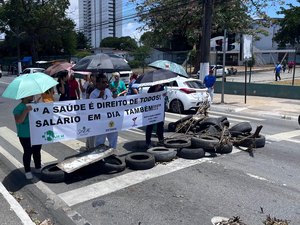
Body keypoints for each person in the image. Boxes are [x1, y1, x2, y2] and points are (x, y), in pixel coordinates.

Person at [13, 95, 42, 179]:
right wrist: (26, 111)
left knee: (37, 150)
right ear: (25, 96)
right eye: (30, 95)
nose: (33, 96)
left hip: (36, 133)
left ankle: (38, 167)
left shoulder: (33, 104)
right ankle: (27, 171)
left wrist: (37, 105)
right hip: (25, 134)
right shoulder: (18, 108)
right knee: (28, 152)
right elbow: (18, 121)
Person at [90, 74, 118, 149]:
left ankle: (112, 153)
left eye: (106, 82)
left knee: (113, 138)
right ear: (98, 83)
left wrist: (114, 96)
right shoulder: (93, 94)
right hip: (100, 121)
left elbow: (111, 102)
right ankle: (99, 155)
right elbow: (91, 108)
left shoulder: (108, 91)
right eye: (103, 82)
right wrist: (99, 97)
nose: (106, 84)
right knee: (100, 140)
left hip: (110, 119)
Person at [145, 84, 165, 149]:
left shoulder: (162, 87)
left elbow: (163, 96)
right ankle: (148, 142)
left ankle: (161, 140)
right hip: (152, 110)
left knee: (160, 126)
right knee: (150, 126)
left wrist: (164, 94)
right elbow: (148, 97)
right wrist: (156, 90)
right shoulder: (151, 88)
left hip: (160, 110)